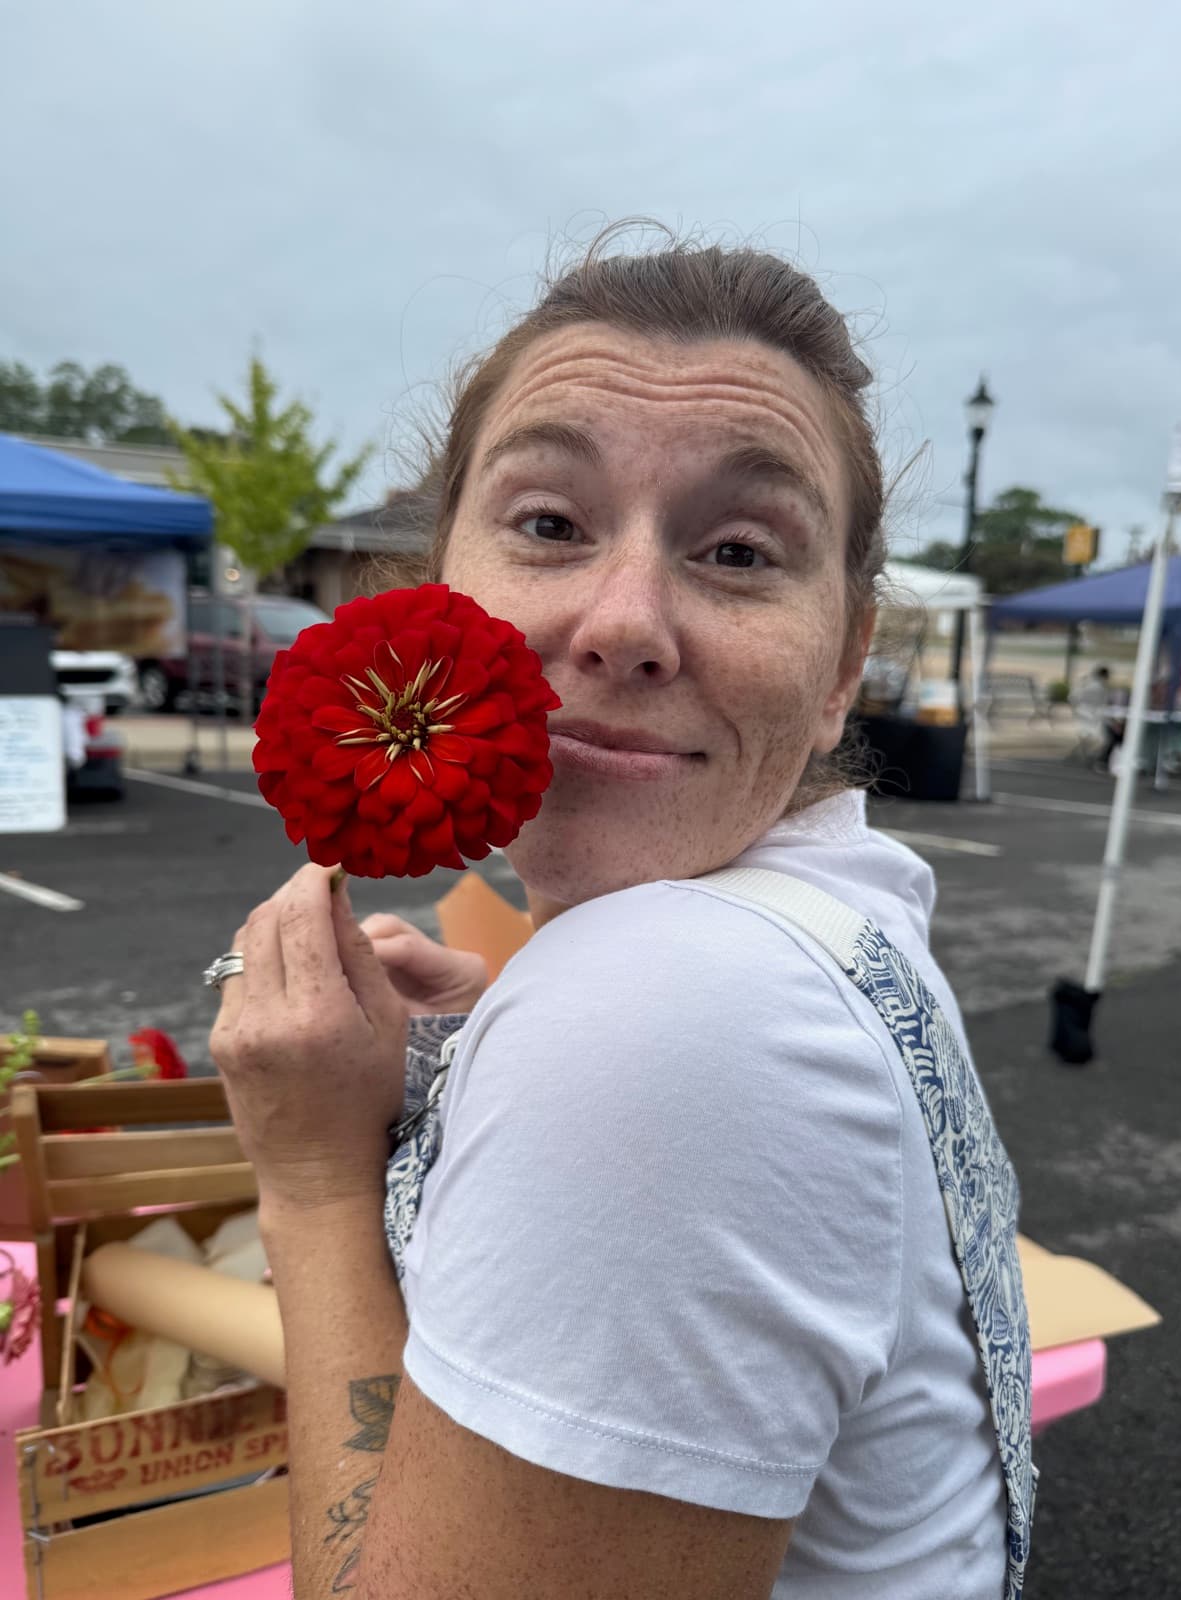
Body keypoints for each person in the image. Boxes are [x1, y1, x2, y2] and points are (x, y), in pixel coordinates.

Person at [209, 233, 1034, 1600]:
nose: (623, 621)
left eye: (736, 550)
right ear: (434, 583)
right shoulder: (835, 913)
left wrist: (312, 1177)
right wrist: (488, 1046)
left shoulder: (668, 1003)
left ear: (841, 666)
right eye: (549, 524)